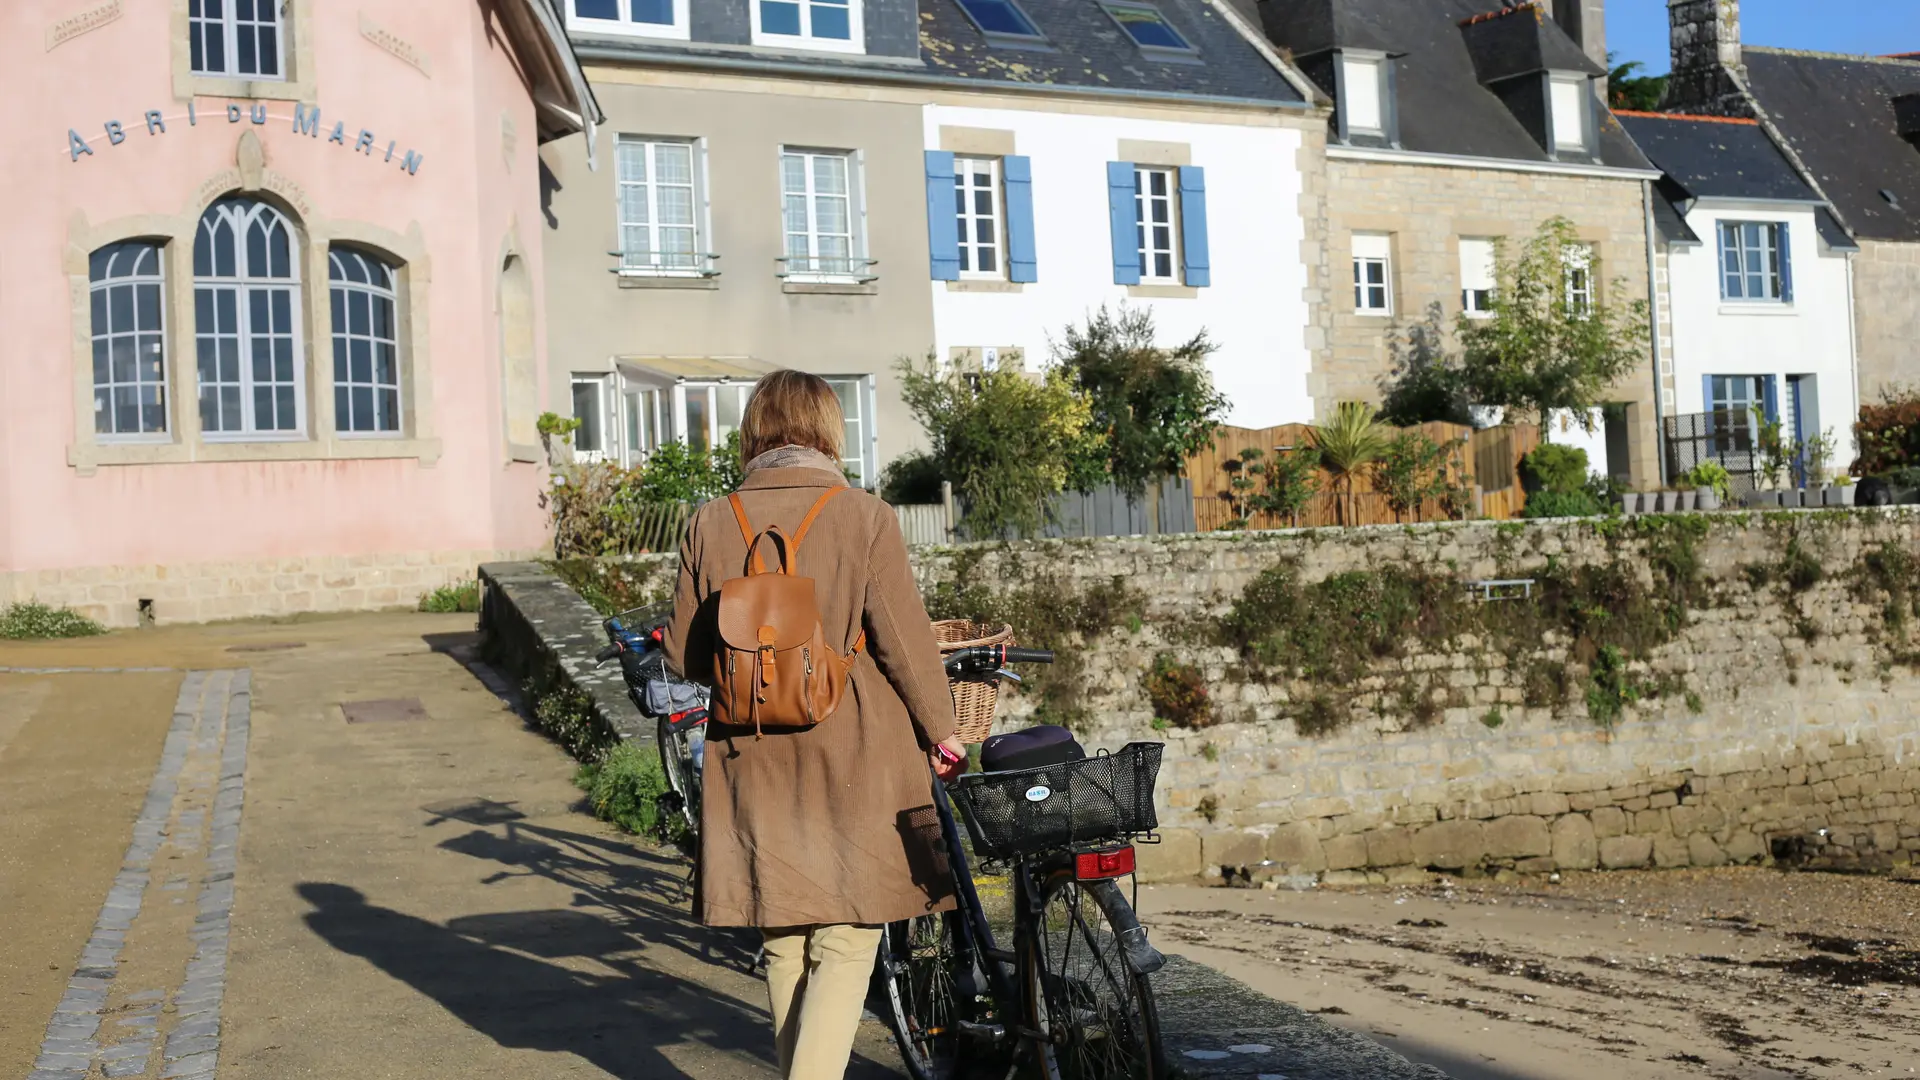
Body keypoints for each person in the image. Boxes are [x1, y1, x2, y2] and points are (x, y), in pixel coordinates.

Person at [662, 369, 967, 1080]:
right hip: (855, 745)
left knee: (784, 937)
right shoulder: (863, 514)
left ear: (755, 432)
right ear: (828, 428)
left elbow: (682, 652)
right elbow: (901, 638)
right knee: (849, 934)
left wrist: (754, 666)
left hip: (751, 750)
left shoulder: (710, 521)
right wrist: (941, 728)